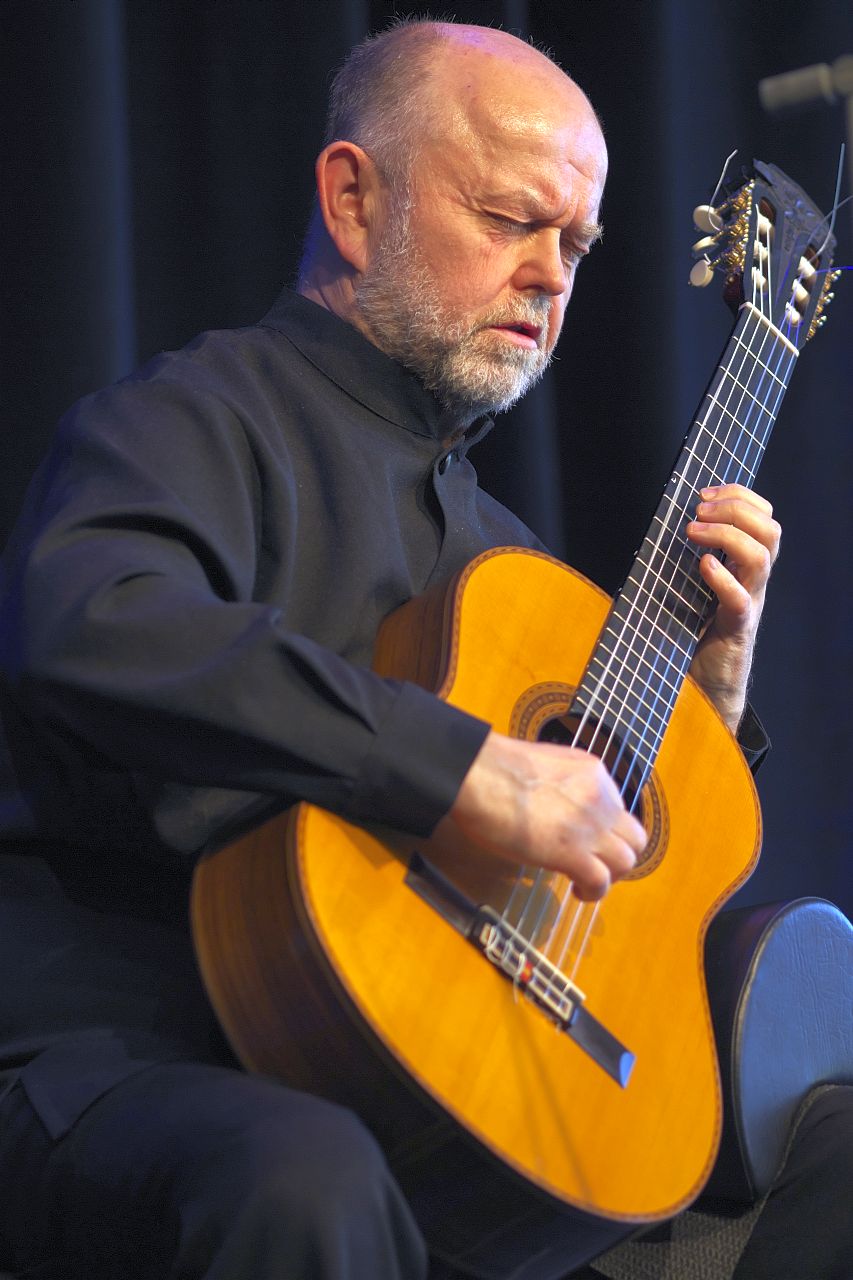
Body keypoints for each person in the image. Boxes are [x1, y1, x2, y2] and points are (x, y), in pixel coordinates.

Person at [0, 17, 848, 1280]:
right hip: (137, 1049)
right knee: (307, 1170)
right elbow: (96, 622)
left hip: (453, 1101)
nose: (550, 276)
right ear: (354, 200)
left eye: (576, 245)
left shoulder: (510, 557)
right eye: (511, 219)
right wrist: (463, 769)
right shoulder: (195, 416)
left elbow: (601, 887)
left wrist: (708, 702)